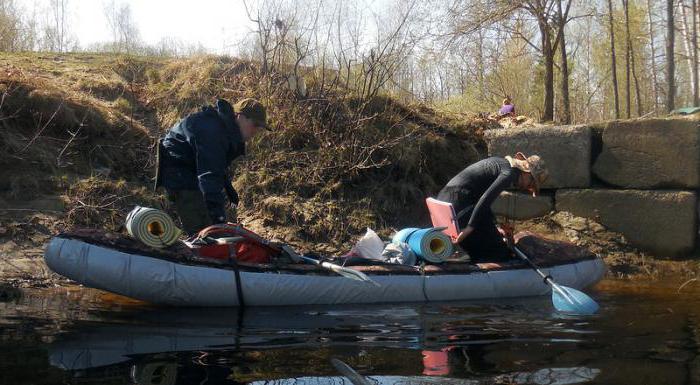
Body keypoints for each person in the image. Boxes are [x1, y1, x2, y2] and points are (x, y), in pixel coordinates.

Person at [155, 98, 268, 235]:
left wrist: (228, 189)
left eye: (260, 127)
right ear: (239, 117)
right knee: (204, 232)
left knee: (216, 226)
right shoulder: (213, 131)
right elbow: (209, 175)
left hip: (191, 171)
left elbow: (215, 165)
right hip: (180, 174)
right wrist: (218, 219)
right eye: (255, 124)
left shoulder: (224, 130)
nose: (257, 130)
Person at [436, 153, 548, 263]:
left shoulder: (500, 163)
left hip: (445, 201)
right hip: (458, 205)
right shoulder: (508, 174)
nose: (528, 188)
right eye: (531, 183)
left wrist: (496, 226)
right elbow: (485, 199)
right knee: (499, 253)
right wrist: (469, 228)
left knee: (491, 240)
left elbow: (481, 201)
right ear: (527, 172)